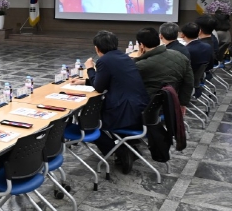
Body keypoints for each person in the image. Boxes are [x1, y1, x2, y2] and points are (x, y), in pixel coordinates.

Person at [70, 31, 148, 167]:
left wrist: (90, 68)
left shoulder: (104, 61)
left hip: (124, 113)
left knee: (90, 124)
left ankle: (119, 151)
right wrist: (85, 82)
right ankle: (124, 148)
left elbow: (99, 88)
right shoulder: (123, 56)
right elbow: (110, 79)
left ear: (97, 48)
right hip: (138, 107)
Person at [133, 27, 193, 114]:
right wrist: (182, 103)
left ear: (141, 45)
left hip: (148, 107)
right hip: (172, 104)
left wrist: (138, 58)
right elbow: (189, 82)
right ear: (159, 38)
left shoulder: (140, 65)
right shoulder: (180, 56)